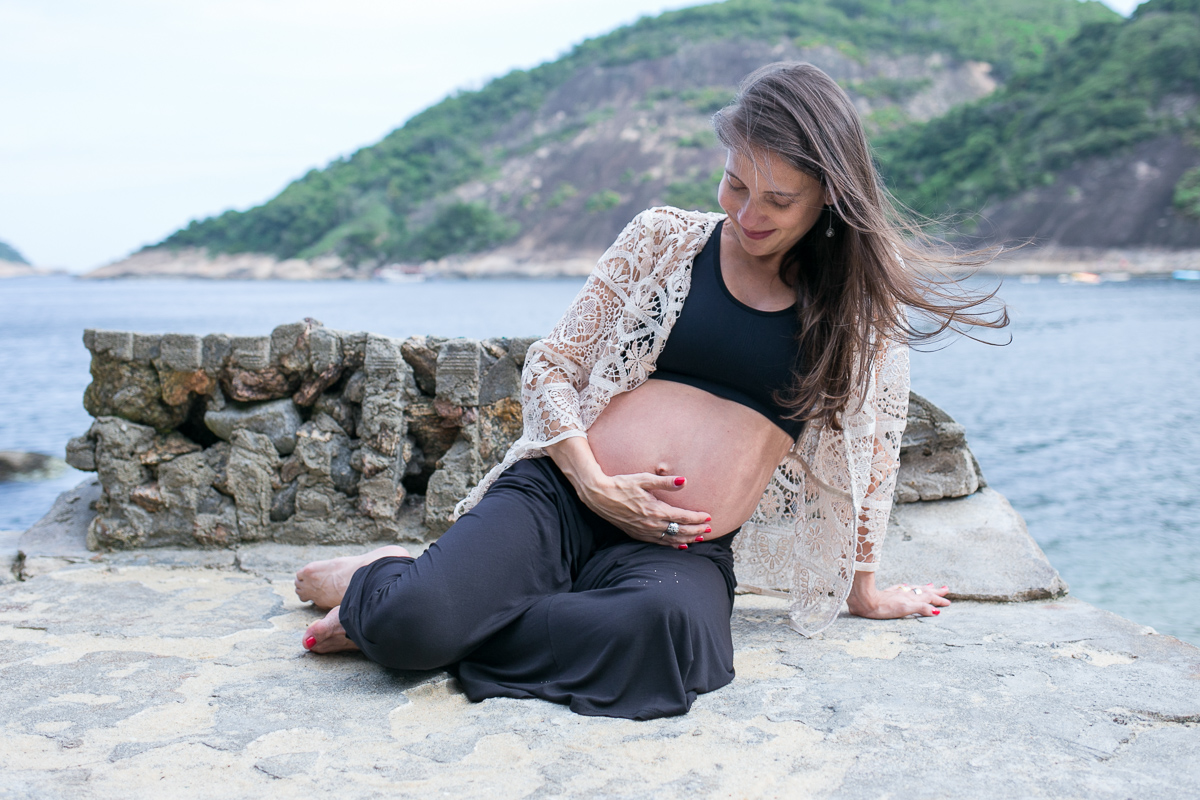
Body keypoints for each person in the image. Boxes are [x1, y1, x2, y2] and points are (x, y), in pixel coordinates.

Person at [294, 62, 1007, 720]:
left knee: (666, 636)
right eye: (735, 183)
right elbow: (552, 366)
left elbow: (870, 458)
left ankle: (448, 603)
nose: (748, 212)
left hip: (680, 551)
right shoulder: (663, 240)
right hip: (563, 501)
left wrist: (864, 590)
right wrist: (595, 482)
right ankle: (395, 593)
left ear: (828, 194)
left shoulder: (856, 316)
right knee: (419, 623)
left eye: (778, 199)